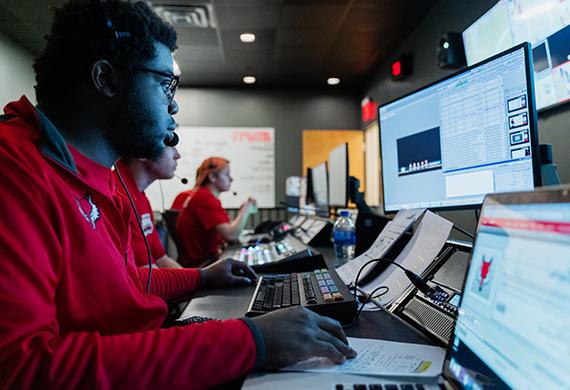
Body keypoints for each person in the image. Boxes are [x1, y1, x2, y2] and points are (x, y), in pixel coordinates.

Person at [0, 0, 356, 388]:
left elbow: (124, 283)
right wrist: (251, 341)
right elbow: (22, 369)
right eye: (163, 83)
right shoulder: (13, 171)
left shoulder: (101, 176)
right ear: (106, 78)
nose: (174, 103)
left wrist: (201, 279)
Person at [176, 157, 257, 267]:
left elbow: (228, 231)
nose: (231, 179)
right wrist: (245, 210)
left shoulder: (205, 196)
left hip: (206, 261)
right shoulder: (204, 197)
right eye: (227, 174)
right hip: (203, 265)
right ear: (212, 177)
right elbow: (231, 236)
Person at [115, 146, 183, 268]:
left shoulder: (140, 196)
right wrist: (201, 277)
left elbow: (161, 259)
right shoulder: (120, 196)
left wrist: (201, 278)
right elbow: (147, 275)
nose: (177, 155)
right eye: (168, 144)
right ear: (143, 150)